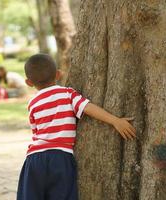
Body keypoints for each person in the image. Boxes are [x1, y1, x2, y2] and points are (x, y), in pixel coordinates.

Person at [17, 54, 136, 200]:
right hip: (60, 158)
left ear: (29, 82)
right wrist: (115, 121)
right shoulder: (67, 94)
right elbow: (88, 107)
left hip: (34, 160)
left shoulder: (33, 104)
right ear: (58, 74)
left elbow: (35, 132)